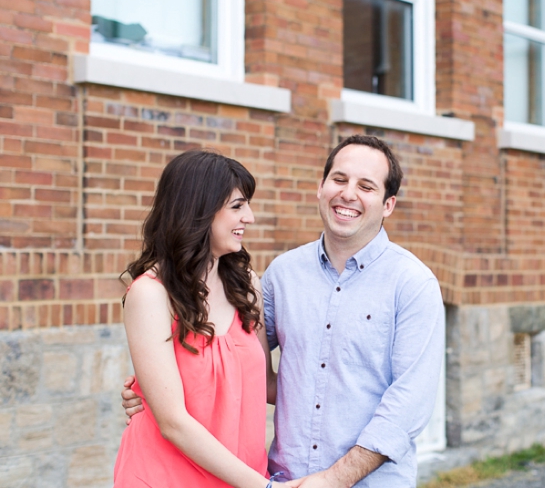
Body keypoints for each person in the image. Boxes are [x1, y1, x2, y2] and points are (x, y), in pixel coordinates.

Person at [124, 135, 445, 487]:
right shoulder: (281, 274)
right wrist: (148, 391)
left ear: (388, 204)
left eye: (366, 186)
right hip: (280, 477)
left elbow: (408, 406)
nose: (348, 194)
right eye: (339, 179)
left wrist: (334, 479)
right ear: (320, 188)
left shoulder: (412, 285)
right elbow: (243, 367)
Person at [114, 149, 276, 488]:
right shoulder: (151, 294)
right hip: (166, 477)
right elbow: (172, 421)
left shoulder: (247, 285)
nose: (250, 217)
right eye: (237, 206)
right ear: (199, 211)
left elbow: (268, 386)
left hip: (244, 477)